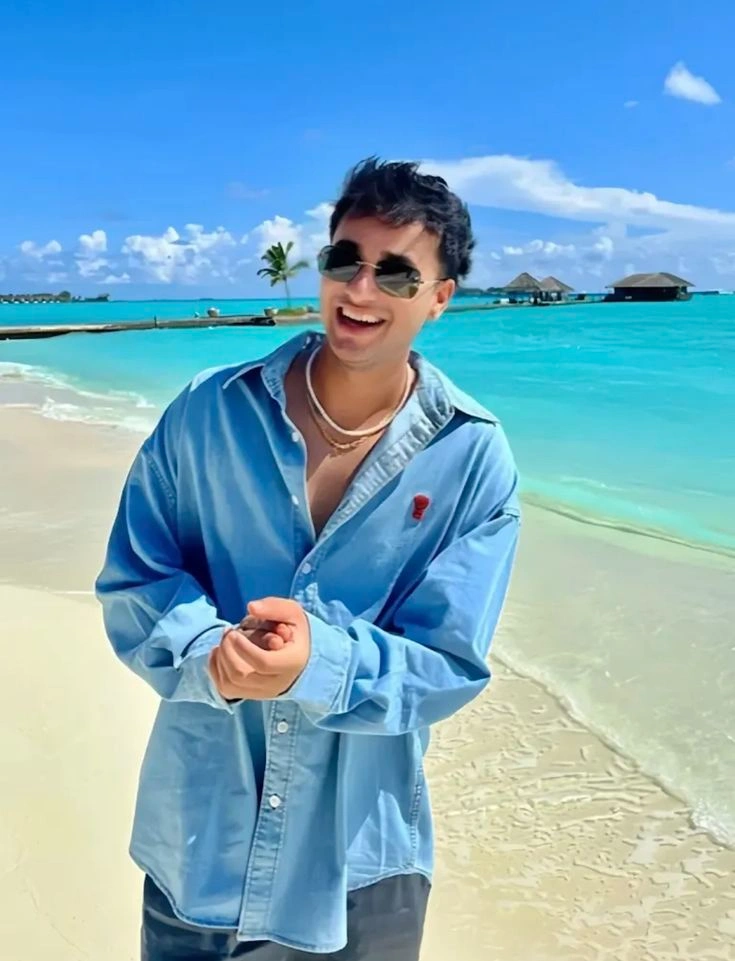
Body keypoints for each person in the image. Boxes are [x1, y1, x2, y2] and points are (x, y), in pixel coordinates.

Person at [96, 157, 521, 960]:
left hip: (359, 865)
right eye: (344, 259)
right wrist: (210, 655)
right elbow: (136, 579)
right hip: (199, 838)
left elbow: (449, 663)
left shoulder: (472, 457)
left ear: (438, 298)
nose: (360, 289)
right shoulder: (206, 412)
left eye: (395, 273)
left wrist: (316, 664)